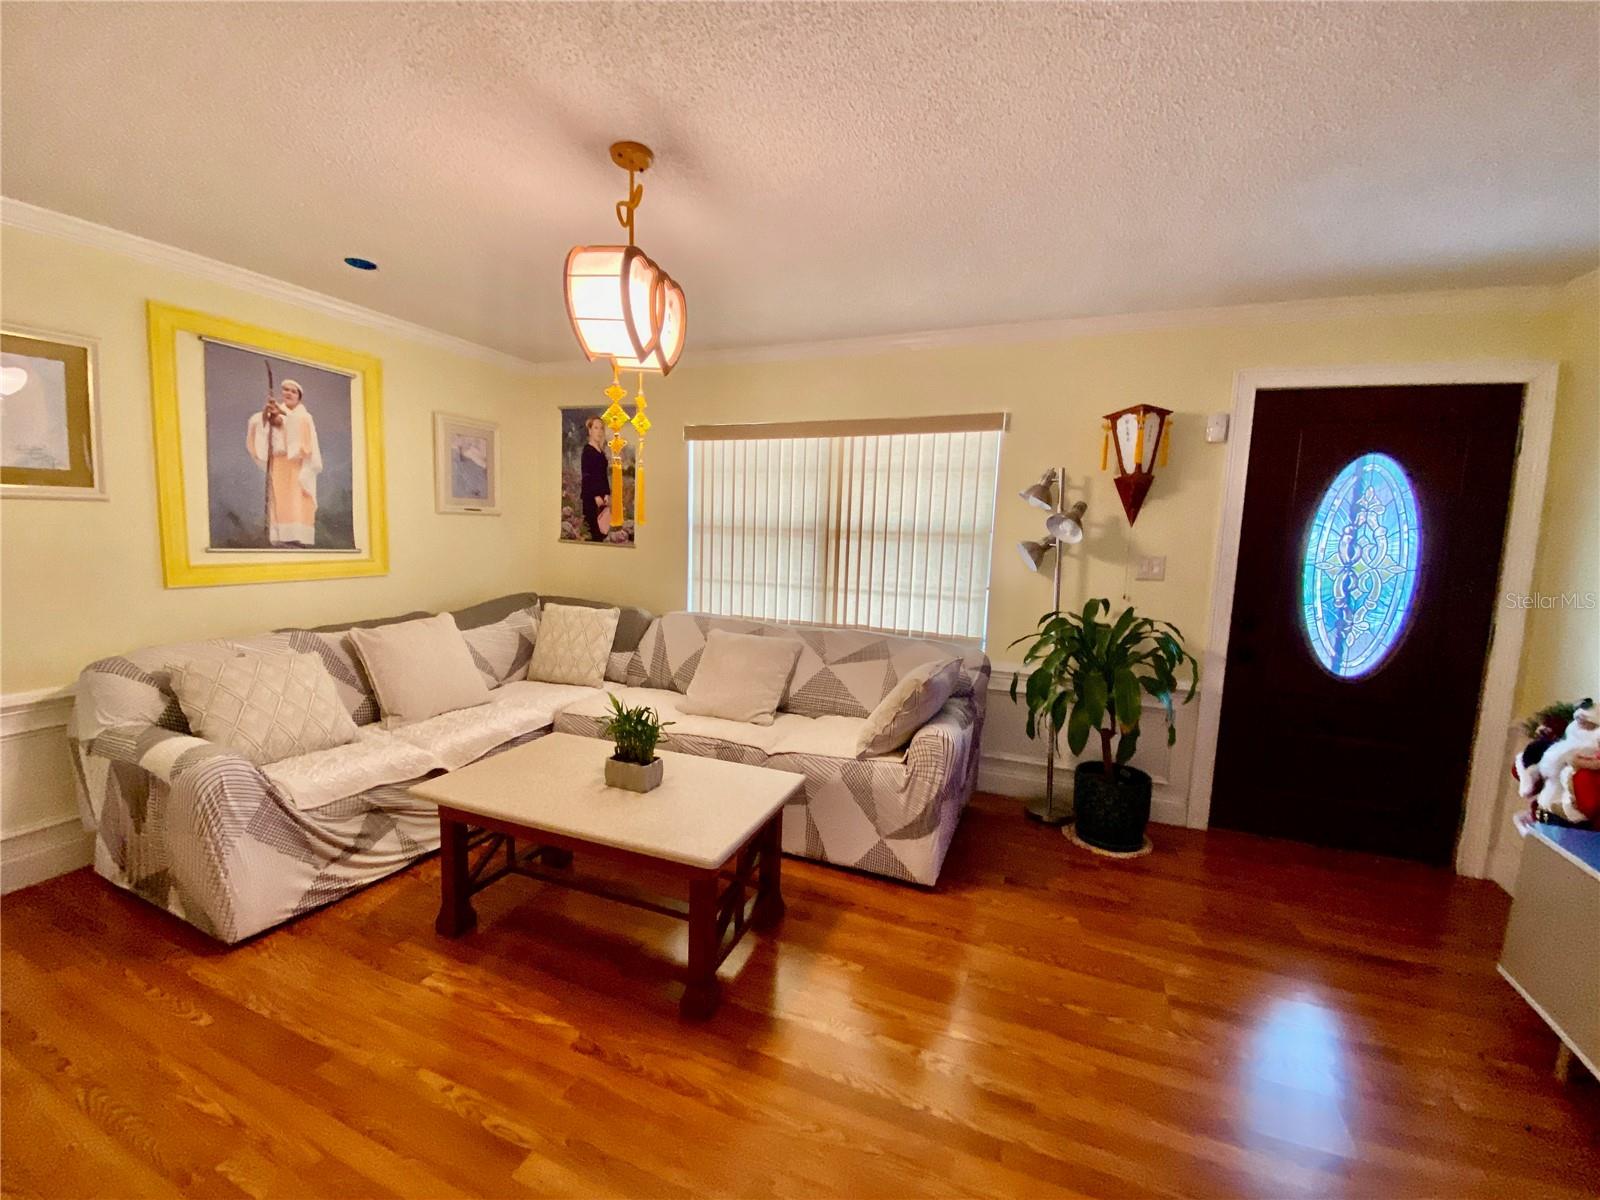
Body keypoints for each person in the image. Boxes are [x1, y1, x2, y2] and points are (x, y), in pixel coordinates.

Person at [246, 379, 322, 547]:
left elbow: (301, 433)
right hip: (278, 464)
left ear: (299, 397)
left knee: (297, 501)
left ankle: (298, 537)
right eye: (286, 390)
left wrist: (283, 417)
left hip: (297, 465)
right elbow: (257, 424)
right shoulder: (275, 413)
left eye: (293, 391)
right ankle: (280, 537)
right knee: (279, 501)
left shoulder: (304, 417)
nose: (288, 393)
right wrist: (267, 415)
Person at [580, 414, 611, 541]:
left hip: (602, 498)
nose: (599, 431)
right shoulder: (587, 451)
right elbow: (587, 476)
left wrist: (607, 494)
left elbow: (603, 475)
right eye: (596, 428)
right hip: (591, 498)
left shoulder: (601, 452)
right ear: (590, 430)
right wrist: (596, 496)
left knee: (603, 532)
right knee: (595, 534)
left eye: (601, 428)